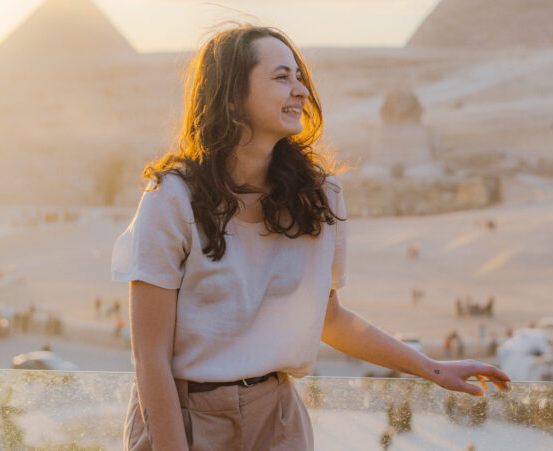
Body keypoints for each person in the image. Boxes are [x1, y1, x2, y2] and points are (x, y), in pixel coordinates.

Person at [111, 25, 509, 450]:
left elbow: (329, 317)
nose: (300, 90)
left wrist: (431, 369)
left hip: (278, 418)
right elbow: (149, 358)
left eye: (299, 77)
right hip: (186, 417)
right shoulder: (171, 198)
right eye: (282, 77)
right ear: (230, 97)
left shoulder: (319, 197)